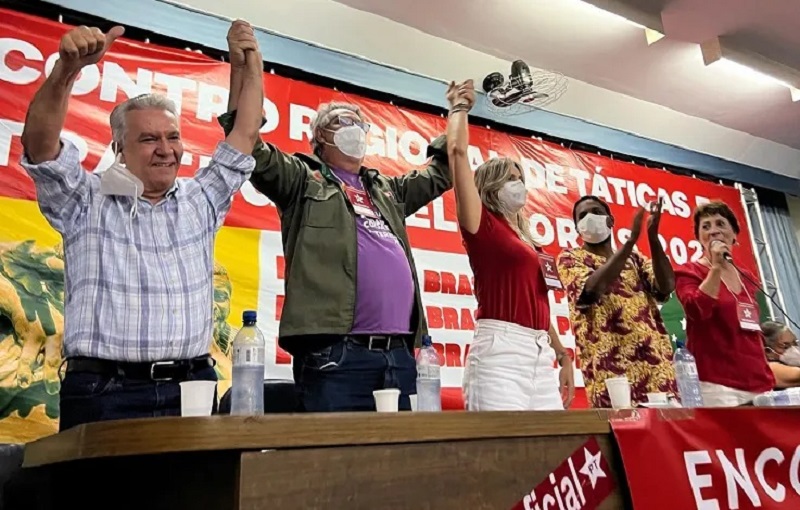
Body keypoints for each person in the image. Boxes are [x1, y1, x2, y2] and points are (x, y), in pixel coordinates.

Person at [19, 20, 264, 430]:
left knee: (192, 498)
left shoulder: (200, 200)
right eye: (149, 139)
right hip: (104, 394)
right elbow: (40, 146)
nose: (166, 150)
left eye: (173, 137)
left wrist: (251, 64)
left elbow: (246, 132)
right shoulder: (84, 200)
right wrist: (66, 71)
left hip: (193, 390)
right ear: (118, 148)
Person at [219, 52, 455, 414]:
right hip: (338, 357)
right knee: (335, 461)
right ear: (318, 140)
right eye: (340, 122)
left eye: (359, 123)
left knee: (401, 461)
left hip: (399, 355)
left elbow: (443, 170)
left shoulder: (387, 191)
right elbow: (246, 139)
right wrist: (244, 67)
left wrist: (458, 113)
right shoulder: (301, 181)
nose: (353, 128)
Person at [445, 80, 574, 411]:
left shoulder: (531, 243)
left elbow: (536, 300)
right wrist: (459, 107)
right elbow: (457, 153)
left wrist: (561, 353)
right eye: (509, 177)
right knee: (501, 457)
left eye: (520, 177)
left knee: (553, 457)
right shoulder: (483, 225)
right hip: (499, 354)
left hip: (540, 354)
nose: (518, 184)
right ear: (490, 186)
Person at [556, 196, 677, 408]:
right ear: (577, 229)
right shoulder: (570, 258)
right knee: (623, 439)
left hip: (658, 375)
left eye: (595, 211)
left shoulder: (636, 260)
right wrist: (630, 242)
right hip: (612, 379)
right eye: (582, 216)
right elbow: (592, 288)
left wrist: (653, 238)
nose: (589, 217)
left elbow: (666, 286)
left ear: (611, 221)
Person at [674, 201, 774, 406]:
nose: (713, 231)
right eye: (706, 226)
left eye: (720, 224)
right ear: (699, 238)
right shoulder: (689, 272)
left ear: (734, 234)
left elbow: (751, 327)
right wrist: (716, 267)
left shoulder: (747, 276)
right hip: (716, 384)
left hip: (758, 379)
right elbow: (697, 310)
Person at [762, 321, 800, 389]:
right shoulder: (769, 369)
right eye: (785, 347)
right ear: (768, 352)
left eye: (795, 343)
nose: (793, 349)